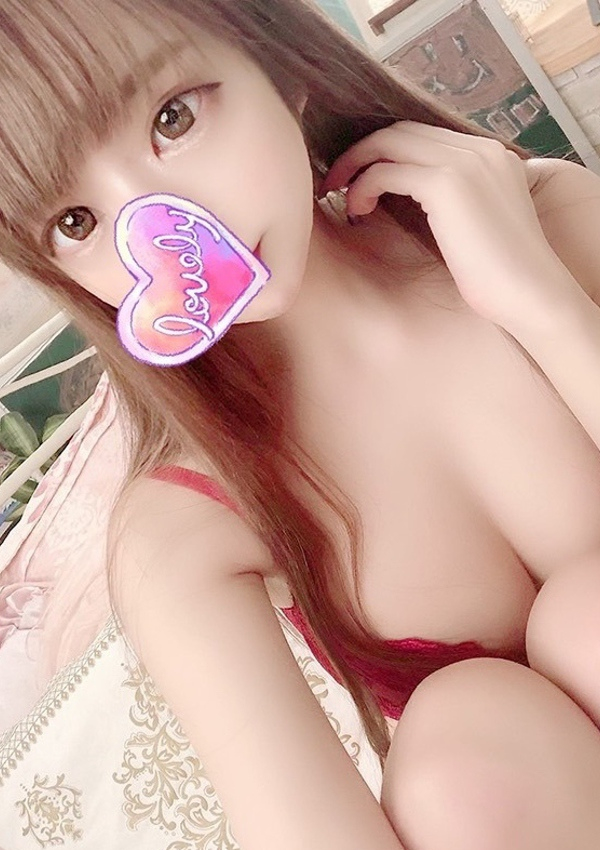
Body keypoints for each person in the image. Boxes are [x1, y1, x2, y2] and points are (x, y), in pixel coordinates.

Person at [1, 0, 600, 847]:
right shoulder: (182, 534)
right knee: (468, 766)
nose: (170, 235)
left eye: (173, 119)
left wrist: (544, 307)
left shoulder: (549, 222)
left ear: (274, 62)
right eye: (77, 223)